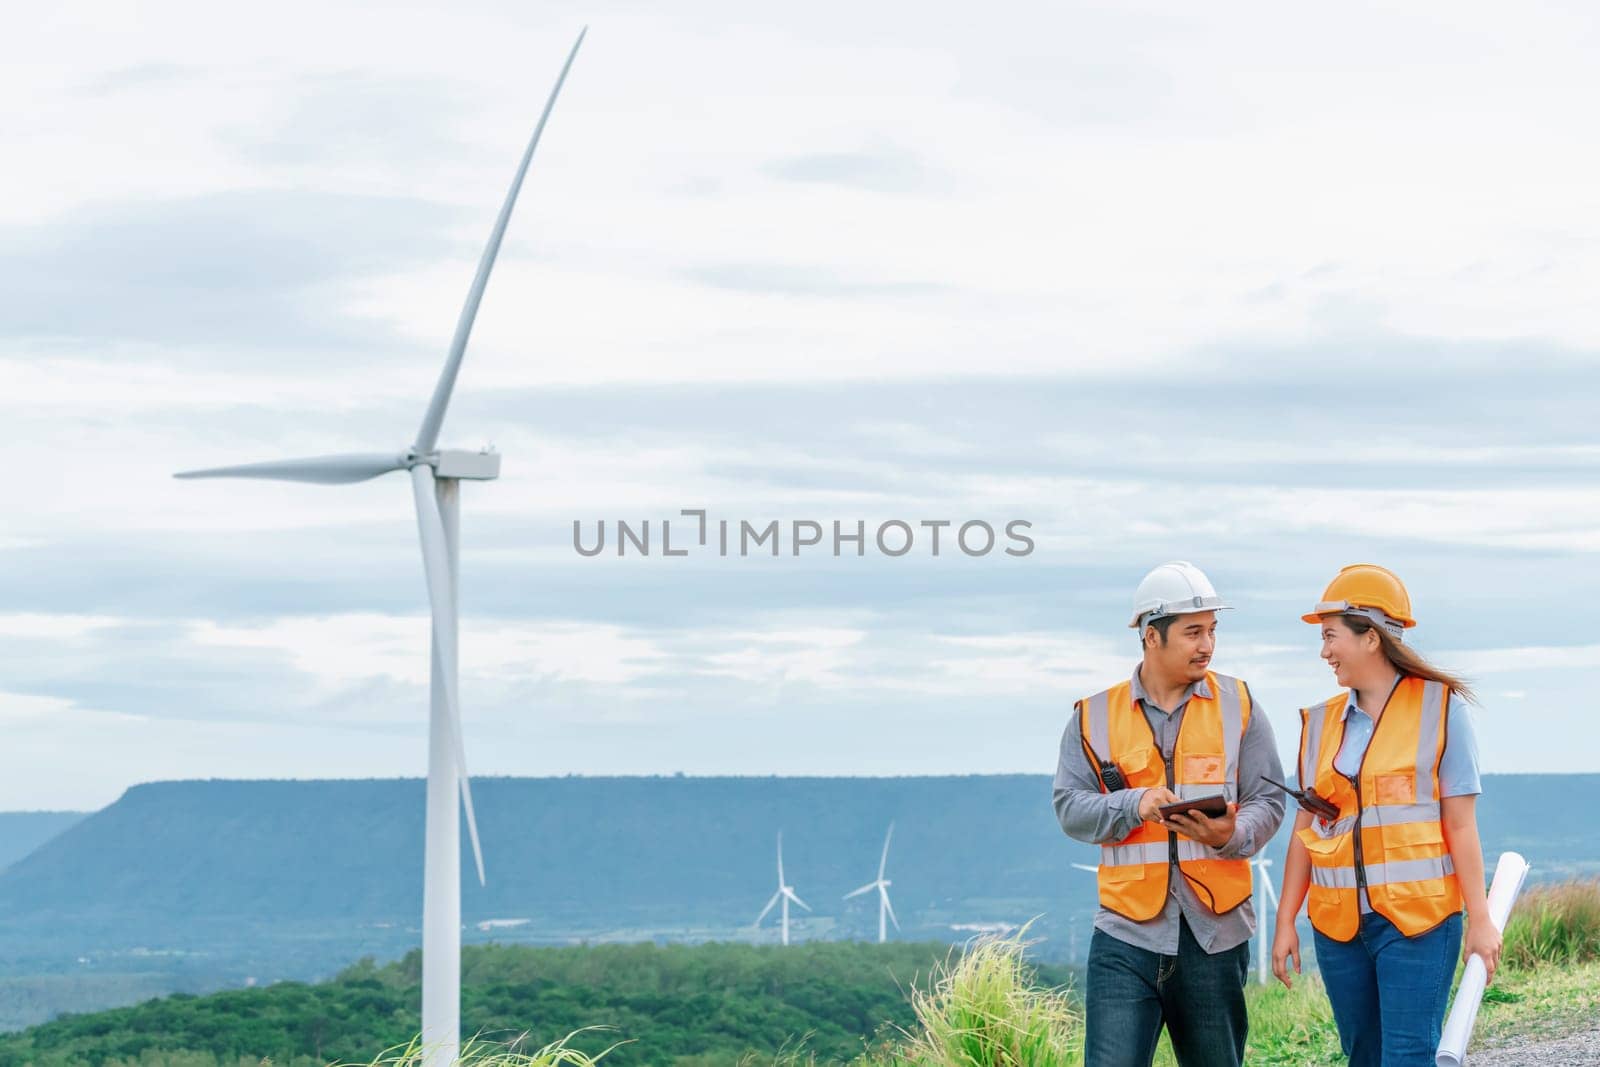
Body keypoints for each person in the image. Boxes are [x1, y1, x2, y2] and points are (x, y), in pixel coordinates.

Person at [1053, 561, 1285, 1067]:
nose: (1208, 645)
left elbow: (1269, 801)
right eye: (1193, 632)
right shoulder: (1092, 717)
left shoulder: (1239, 704)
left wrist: (1232, 832)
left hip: (1214, 934)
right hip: (1124, 933)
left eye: (1213, 631)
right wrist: (1133, 802)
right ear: (1150, 636)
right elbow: (1069, 809)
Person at [1271, 564, 1498, 1067]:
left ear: (1370, 637)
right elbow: (1304, 833)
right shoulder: (1319, 724)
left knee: (1408, 1056)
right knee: (1363, 1057)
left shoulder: (1441, 710)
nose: (1324, 651)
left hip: (1418, 923)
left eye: (1331, 636)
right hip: (1338, 928)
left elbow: (1461, 825)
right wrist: (1286, 919)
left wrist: (1479, 919)